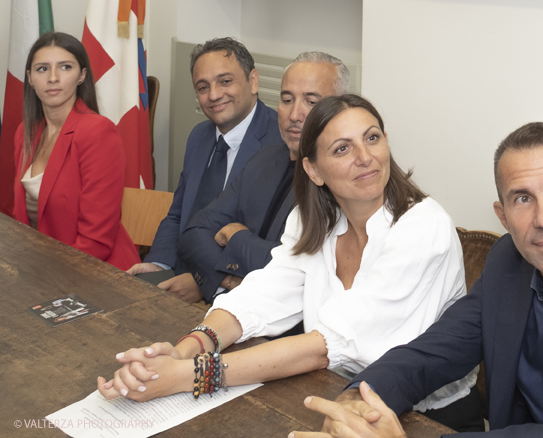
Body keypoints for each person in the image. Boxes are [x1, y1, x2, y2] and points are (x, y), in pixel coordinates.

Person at [98, 94, 481, 429]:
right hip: (333, 393)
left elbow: (325, 344)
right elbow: (263, 295)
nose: (366, 157)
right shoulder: (313, 219)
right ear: (313, 170)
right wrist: (186, 349)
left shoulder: (423, 226)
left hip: (424, 419)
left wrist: (189, 375)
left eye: (372, 138)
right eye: (342, 149)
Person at [300, 122, 543, 438]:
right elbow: (434, 352)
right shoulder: (508, 260)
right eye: (523, 198)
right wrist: (358, 400)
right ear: (503, 215)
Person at [176, 51, 349, 302]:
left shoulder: (345, 180)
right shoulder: (265, 159)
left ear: (341, 109)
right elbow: (194, 233)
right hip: (236, 307)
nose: (294, 115)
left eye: (311, 102)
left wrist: (237, 237)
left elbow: (301, 271)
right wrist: (228, 282)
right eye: (287, 99)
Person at [127, 37, 284, 302]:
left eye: (225, 81)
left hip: (239, 291)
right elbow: (178, 215)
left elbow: (269, 246)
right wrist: (159, 264)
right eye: (203, 87)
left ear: (253, 81)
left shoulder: (279, 143)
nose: (213, 95)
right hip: (182, 272)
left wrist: (204, 282)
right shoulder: (199, 136)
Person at [10, 32, 139, 269]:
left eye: (65, 67)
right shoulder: (25, 132)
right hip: (42, 266)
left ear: (82, 75)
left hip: (96, 271)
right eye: (42, 69)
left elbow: (96, 241)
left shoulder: (97, 132)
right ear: (29, 78)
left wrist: (47, 276)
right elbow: (21, 221)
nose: (53, 78)